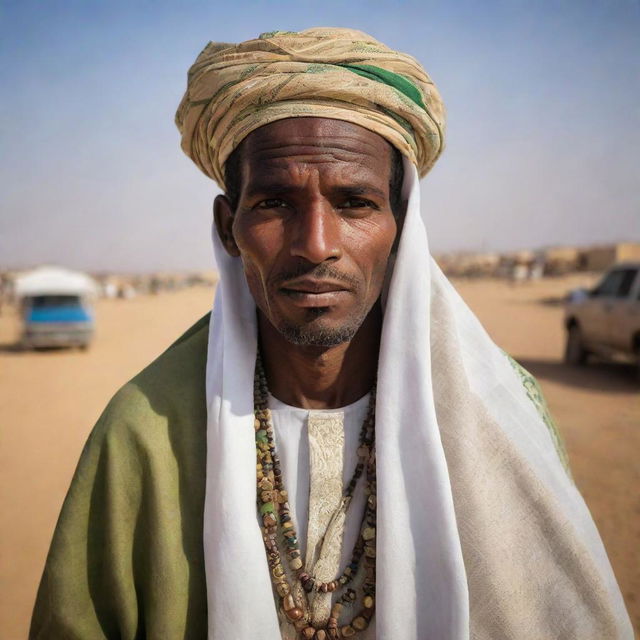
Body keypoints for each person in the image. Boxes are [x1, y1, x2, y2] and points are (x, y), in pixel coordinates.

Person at [30, 28, 632, 640]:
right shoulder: (143, 435)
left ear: (402, 225)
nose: (317, 244)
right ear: (227, 226)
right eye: (275, 204)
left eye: (355, 203)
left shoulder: (502, 416)